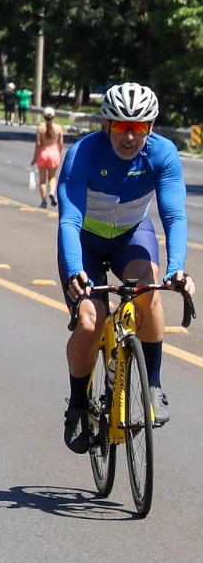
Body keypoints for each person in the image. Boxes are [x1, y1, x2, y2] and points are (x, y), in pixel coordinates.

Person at [59, 83, 194, 454]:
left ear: (151, 127)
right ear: (106, 124)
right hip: (85, 243)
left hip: (132, 236)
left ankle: (152, 384)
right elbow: (69, 220)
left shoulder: (163, 154)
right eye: (121, 126)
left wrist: (177, 268)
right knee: (89, 322)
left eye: (140, 127)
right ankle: (78, 404)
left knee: (148, 289)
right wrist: (74, 271)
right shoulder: (83, 154)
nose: (130, 136)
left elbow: (174, 215)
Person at [34, 107, 65, 208]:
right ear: (54, 117)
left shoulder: (40, 128)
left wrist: (34, 158)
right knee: (52, 177)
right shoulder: (58, 128)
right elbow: (60, 143)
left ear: (44, 116)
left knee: (42, 180)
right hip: (54, 153)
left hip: (43, 153)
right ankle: (52, 192)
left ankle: (43, 201)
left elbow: (38, 144)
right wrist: (58, 154)